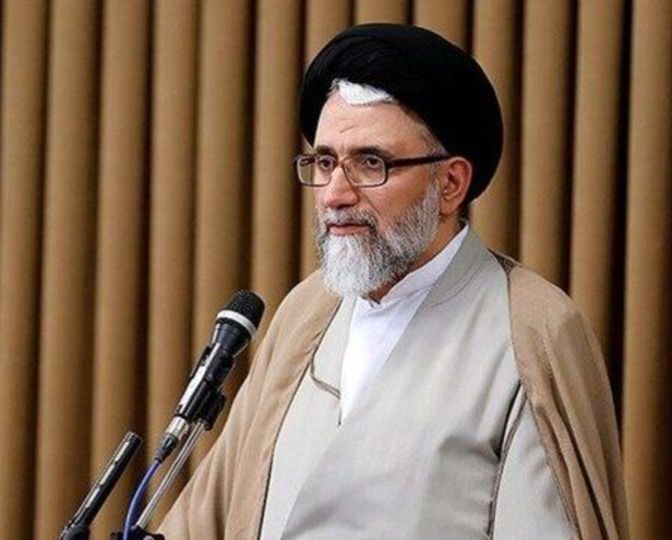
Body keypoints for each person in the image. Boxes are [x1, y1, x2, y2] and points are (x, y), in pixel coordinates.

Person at [159, 24, 627, 539]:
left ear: (450, 184)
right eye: (325, 161)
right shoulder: (307, 310)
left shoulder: (533, 331)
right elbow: (209, 513)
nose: (334, 194)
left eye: (370, 163)